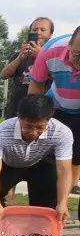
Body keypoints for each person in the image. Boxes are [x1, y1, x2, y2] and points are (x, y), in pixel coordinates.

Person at [0, 95, 73, 236]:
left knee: (48, 196)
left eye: (40, 127)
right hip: (10, 164)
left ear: (49, 120)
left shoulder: (62, 132)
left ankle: (39, 234)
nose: (34, 132)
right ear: (19, 117)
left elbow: (64, 170)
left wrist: (62, 202)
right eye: (29, 126)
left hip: (40, 162)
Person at [28, 25, 80, 201]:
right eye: (77, 55)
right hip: (56, 108)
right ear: (69, 46)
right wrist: (35, 120)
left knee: (75, 161)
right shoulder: (51, 50)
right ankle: (42, 210)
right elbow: (35, 87)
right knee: (45, 161)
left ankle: (63, 201)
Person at [2, 17, 54, 119]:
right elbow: (4, 75)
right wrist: (19, 58)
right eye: (35, 30)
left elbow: (58, 78)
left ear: (51, 34)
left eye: (43, 30)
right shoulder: (21, 54)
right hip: (16, 110)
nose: (38, 32)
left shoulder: (53, 56)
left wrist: (41, 56)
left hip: (42, 112)